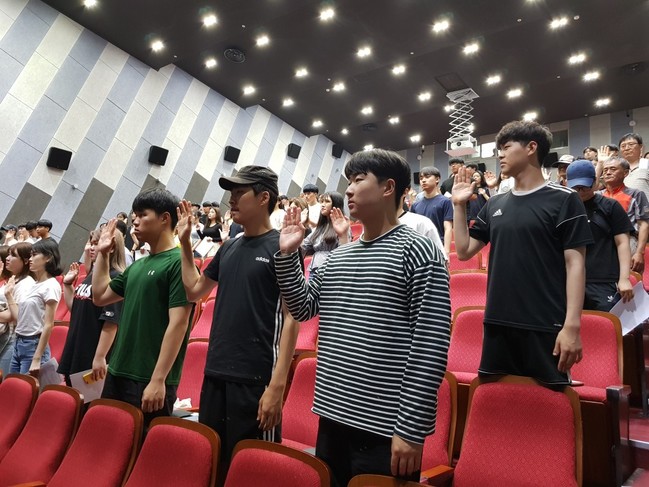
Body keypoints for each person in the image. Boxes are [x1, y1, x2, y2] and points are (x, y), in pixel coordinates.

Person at [276, 148, 450, 486]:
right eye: (349, 182)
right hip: (333, 413)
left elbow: (430, 344)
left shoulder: (418, 249)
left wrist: (411, 429)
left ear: (388, 187)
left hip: (385, 427)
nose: (349, 190)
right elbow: (303, 307)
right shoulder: (339, 256)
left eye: (358, 180)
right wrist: (287, 255)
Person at [175, 165, 299, 473]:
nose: (231, 200)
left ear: (263, 198)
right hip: (216, 373)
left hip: (256, 379)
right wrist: (186, 243)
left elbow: (292, 318)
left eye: (240, 192)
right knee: (216, 466)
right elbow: (194, 291)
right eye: (231, 193)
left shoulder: (282, 246)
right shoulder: (229, 246)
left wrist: (277, 386)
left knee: (253, 471)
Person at [452, 120, 592, 386]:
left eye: (506, 147)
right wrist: (459, 206)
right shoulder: (495, 203)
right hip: (498, 322)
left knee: (549, 401)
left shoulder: (565, 199)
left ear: (531, 148)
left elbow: (575, 264)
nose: (500, 155)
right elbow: (464, 251)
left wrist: (572, 326)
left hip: (545, 323)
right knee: (496, 397)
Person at [91, 189, 194, 425]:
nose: (135, 221)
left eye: (142, 214)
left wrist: (158, 379)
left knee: (144, 444)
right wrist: (103, 254)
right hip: (117, 371)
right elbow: (100, 296)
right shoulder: (137, 266)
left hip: (149, 378)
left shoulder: (179, 262)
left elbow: (179, 324)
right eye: (134, 215)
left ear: (165, 218)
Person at [57, 230, 125, 386]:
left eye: (96, 244)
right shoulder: (93, 276)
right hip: (76, 348)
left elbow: (111, 322)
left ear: (111, 247)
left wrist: (100, 357)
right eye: (91, 243)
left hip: (92, 353)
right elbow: (77, 310)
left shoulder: (115, 277)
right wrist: (67, 285)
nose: (90, 248)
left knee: (86, 399)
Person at [566, 160, 634, 311]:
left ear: (595, 181)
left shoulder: (610, 206)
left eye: (584, 186)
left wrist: (624, 278)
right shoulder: (564, 208)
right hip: (570, 279)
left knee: (607, 321)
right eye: (575, 187)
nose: (580, 191)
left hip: (603, 279)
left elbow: (622, 243)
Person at [7, 239, 62, 376]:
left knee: (26, 387)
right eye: (30, 255)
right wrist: (9, 295)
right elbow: (20, 317)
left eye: (34, 255)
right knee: (11, 384)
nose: (30, 259)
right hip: (19, 341)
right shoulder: (34, 284)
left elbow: (49, 324)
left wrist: (37, 358)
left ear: (48, 257)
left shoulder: (51, 285)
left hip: (34, 345)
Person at [601, 156, 649, 274]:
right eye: (605, 170)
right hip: (602, 242)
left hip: (628, 240)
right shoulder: (598, 195)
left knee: (629, 279)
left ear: (625, 173)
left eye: (613, 169)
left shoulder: (636, 194)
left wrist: (639, 253)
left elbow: (643, 224)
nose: (608, 172)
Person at [0, 243, 35, 375]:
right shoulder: (13, 278)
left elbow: (13, 315)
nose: (7, 258)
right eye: (8, 254)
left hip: (11, 339)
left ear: (25, 261)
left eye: (13, 255)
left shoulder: (26, 283)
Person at [301, 191, 350, 276]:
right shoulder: (320, 228)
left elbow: (345, 251)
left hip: (331, 270)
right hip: (314, 270)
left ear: (336, 204)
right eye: (322, 202)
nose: (322, 205)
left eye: (327, 201)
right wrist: (300, 225)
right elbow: (303, 245)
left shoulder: (343, 226)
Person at [411, 166, 453, 254]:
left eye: (427, 177)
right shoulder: (415, 205)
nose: (423, 180)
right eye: (421, 178)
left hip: (437, 247)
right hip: (419, 248)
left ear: (437, 179)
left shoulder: (445, 202)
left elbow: (448, 228)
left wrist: (446, 251)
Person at [621, 133, 649, 200]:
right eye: (623, 146)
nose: (626, 148)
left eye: (631, 144)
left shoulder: (645, 163)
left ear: (641, 147)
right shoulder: (619, 167)